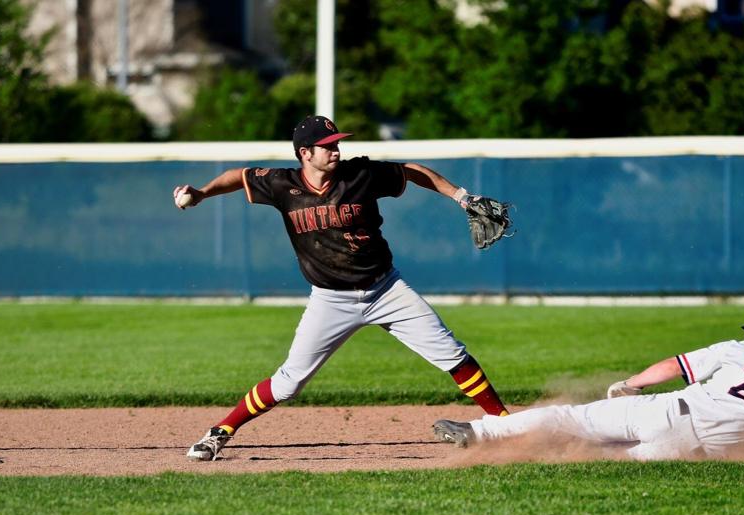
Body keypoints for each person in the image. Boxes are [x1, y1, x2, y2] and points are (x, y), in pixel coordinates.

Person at [173, 115, 511, 461]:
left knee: (453, 354)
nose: (336, 150)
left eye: (337, 143)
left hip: (386, 290)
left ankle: (504, 424)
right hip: (330, 299)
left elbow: (411, 171)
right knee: (288, 383)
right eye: (327, 146)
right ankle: (219, 433)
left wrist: (462, 197)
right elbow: (239, 176)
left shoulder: (360, 175)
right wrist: (201, 193)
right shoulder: (281, 184)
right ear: (305, 153)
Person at [433, 301, 744, 464]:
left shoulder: (738, 349)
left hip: (664, 411)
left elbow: (674, 367)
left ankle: (480, 433)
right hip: (688, 451)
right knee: (603, 461)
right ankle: (540, 453)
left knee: (568, 417)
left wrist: (631, 383)